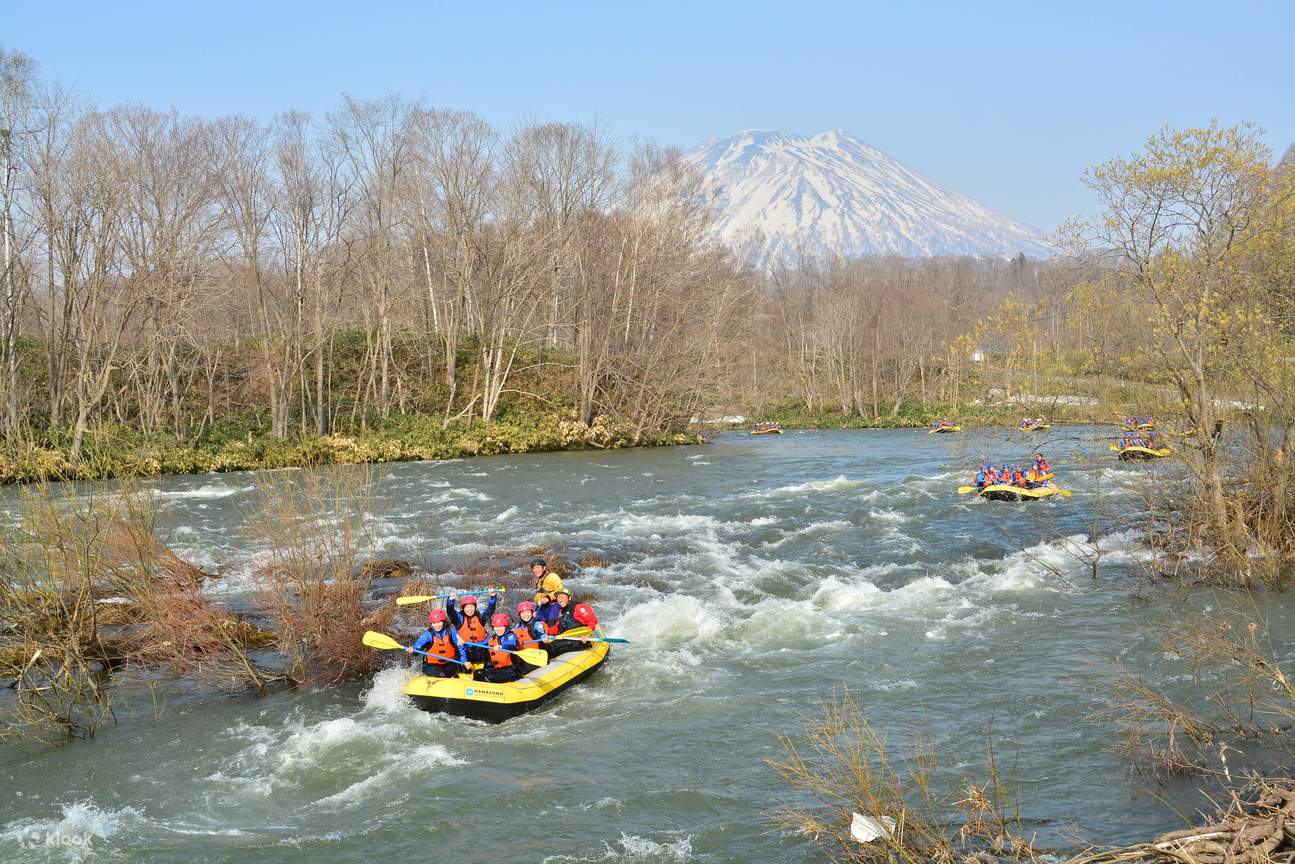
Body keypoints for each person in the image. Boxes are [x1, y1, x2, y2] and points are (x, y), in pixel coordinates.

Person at [407, 608, 467, 678]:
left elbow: (461, 648)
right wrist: (413, 650)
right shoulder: (428, 635)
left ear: (444, 621)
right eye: (434, 623)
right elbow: (417, 647)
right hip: (432, 666)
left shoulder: (452, 632)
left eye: (439, 622)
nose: (436, 625)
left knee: (453, 674)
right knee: (442, 674)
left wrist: (464, 661)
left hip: (449, 664)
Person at [448, 590, 497, 663]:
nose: (469, 610)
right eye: (467, 607)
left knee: (491, 641)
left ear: (475, 607)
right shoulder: (458, 619)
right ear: (463, 608)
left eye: (471, 607)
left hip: (480, 648)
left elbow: (490, 610)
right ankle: (464, 666)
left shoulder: (480, 617)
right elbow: (450, 612)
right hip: (466, 650)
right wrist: (451, 601)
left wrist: (493, 597)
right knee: (460, 650)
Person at [474, 613, 524, 683]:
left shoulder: (511, 636)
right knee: (478, 673)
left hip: (512, 669)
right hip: (498, 669)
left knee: (490, 677)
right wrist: (464, 643)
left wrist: (502, 646)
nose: (498, 629)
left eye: (501, 627)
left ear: (505, 627)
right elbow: (480, 644)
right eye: (496, 627)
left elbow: (512, 643)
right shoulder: (492, 638)